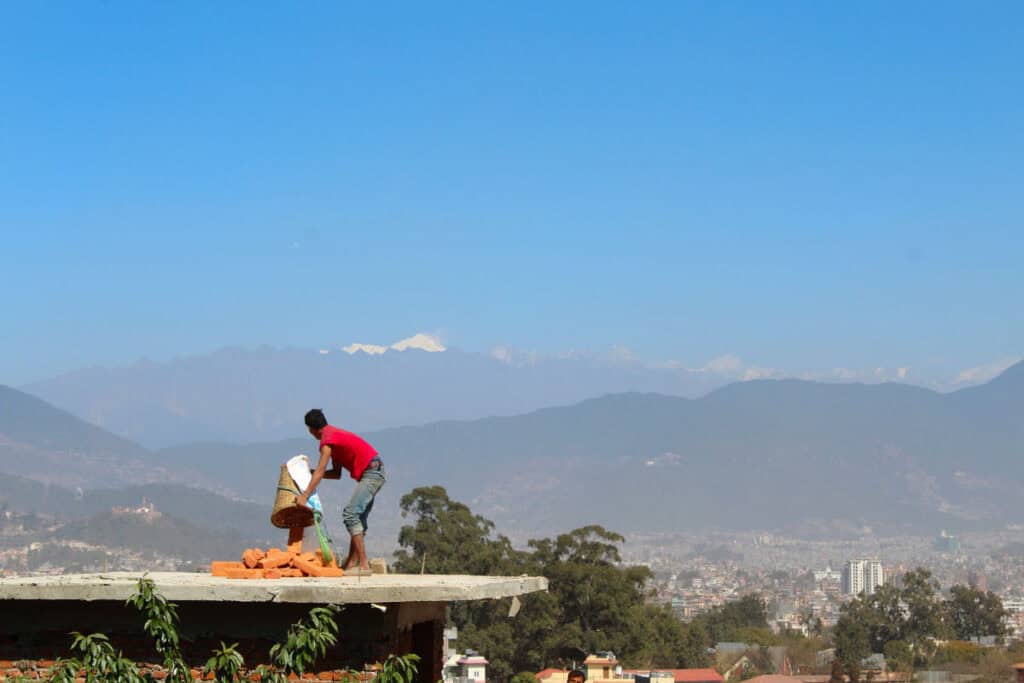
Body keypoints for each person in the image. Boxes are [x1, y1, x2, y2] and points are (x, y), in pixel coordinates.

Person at [298, 408, 386, 575]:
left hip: (372, 472)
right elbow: (335, 474)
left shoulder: (327, 440)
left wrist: (304, 495)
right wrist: (309, 472)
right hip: (375, 470)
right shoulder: (334, 437)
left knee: (350, 514)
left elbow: (321, 469)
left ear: (311, 429)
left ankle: (363, 565)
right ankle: (352, 562)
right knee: (357, 517)